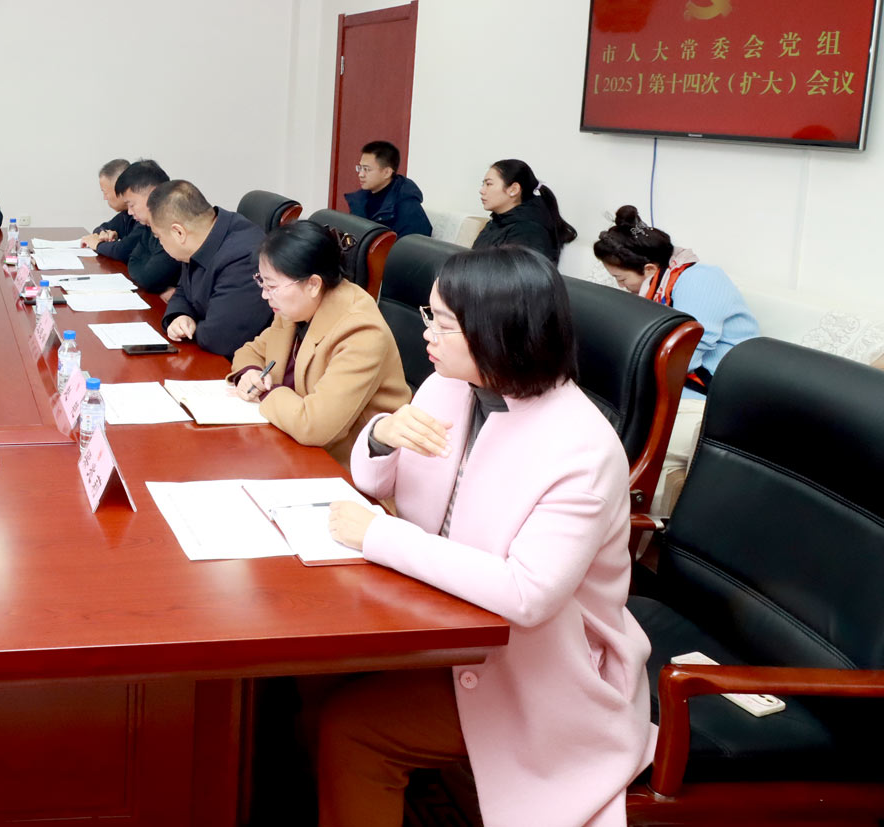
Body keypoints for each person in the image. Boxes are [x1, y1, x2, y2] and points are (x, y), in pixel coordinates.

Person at [319, 246, 652, 827]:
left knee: (351, 731)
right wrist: (380, 435)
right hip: (436, 618)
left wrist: (379, 536)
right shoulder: (449, 386)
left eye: (443, 323)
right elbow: (380, 483)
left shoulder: (581, 449)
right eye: (430, 315)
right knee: (306, 680)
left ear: (500, 332)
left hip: (533, 671)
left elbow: (527, 595)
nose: (426, 332)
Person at [594, 206, 758, 514]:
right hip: (676, 391)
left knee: (622, 442)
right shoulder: (659, 284)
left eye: (620, 278)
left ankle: (628, 529)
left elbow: (685, 357)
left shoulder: (701, 280)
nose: (620, 287)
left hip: (712, 400)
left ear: (650, 269)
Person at [228, 222, 411, 469]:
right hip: (287, 442)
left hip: (345, 465)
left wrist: (265, 392)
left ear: (313, 284)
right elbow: (250, 351)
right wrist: (251, 372)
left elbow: (314, 426)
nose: (264, 294)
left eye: (272, 286)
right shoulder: (294, 306)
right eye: (263, 282)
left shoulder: (361, 331)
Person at [151, 179, 272, 358]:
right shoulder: (202, 236)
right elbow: (183, 290)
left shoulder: (243, 257)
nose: (160, 243)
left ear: (179, 233)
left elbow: (222, 338)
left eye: (158, 237)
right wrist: (180, 316)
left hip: (243, 363)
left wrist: (192, 329)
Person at [96, 160, 182, 297]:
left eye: (132, 205)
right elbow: (133, 261)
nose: (129, 212)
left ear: (152, 195)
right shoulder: (148, 226)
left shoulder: (174, 229)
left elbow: (148, 278)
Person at [471, 158, 577, 264]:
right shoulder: (497, 221)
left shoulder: (529, 231)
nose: (482, 191)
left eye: (489, 184)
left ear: (514, 189)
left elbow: (517, 273)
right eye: (483, 184)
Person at [343, 140, 432, 238]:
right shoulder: (360, 200)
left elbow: (414, 245)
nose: (360, 174)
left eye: (366, 169)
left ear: (387, 172)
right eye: (359, 168)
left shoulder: (409, 208)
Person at [81, 159, 131, 249]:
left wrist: (97, 245)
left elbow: (123, 250)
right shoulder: (125, 215)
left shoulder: (142, 218)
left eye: (105, 192)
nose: (105, 198)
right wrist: (105, 233)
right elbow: (101, 228)